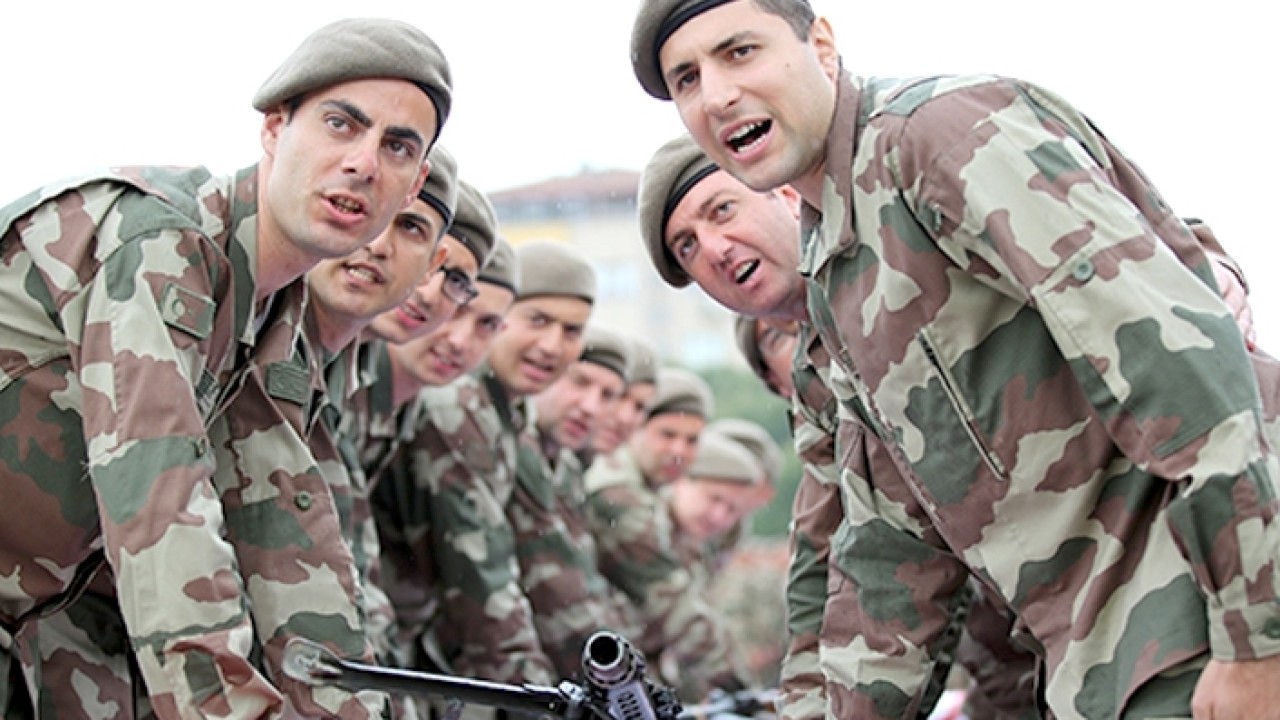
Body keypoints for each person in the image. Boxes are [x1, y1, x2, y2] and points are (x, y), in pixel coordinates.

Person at [632, 2, 1280, 718]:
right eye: (687, 79)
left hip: (1204, 611)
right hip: (1110, 660)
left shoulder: (938, 138)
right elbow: (888, 554)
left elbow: (1179, 367)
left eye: (739, 52)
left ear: (820, 44)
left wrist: (1257, 634)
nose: (717, 94)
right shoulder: (840, 275)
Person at [0, 17, 451, 717]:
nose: (364, 163)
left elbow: (286, 546)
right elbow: (160, 510)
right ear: (274, 128)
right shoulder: (160, 244)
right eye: (340, 124)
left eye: (398, 146)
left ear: (415, 181)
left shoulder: (273, 320)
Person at [371, 241, 595, 687]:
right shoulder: (455, 403)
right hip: (385, 651)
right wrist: (544, 693)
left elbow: (549, 561)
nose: (552, 346)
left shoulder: (511, 417)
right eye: (538, 321)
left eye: (571, 331)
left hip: (401, 651)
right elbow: (483, 583)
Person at [584, 366, 751, 700]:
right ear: (637, 429)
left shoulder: (650, 492)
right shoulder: (618, 493)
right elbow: (673, 604)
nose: (679, 450)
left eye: (691, 440)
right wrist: (741, 690)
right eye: (667, 434)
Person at [510, 325, 635, 677]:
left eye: (607, 395)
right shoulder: (513, 446)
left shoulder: (566, 468)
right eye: (579, 382)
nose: (590, 407)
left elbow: (582, 582)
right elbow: (551, 588)